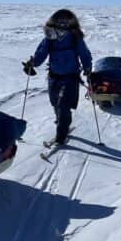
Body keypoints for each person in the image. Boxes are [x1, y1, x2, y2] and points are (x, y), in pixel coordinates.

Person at [22, 8, 92, 145]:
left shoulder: (75, 37)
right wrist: (32, 63)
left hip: (71, 76)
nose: (63, 22)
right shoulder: (50, 38)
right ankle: (62, 120)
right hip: (54, 76)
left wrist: (88, 68)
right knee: (55, 102)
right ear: (55, 20)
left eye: (66, 20)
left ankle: (61, 133)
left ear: (71, 21)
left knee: (63, 104)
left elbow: (84, 54)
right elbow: (41, 53)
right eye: (60, 20)